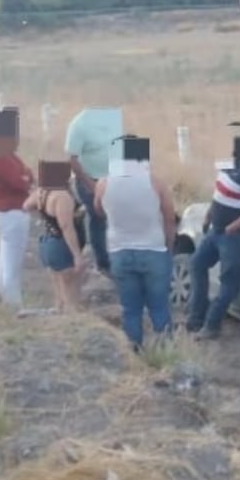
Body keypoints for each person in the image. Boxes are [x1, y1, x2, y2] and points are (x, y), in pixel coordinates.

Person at [94, 135, 177, 352]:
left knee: (131, 309)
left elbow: (99, 210)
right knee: (159, 307)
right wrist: (169, 246)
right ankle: (166, 352)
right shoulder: (154, 181)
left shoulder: (104, 183)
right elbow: (169, 217)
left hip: (120, 250)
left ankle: (135, 353)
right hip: (153, 250)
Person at [187, 122, 240, 341]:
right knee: (197, 264)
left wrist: (234, 227)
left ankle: (212, 325)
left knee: (228, 281)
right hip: (217, 230)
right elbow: (220, 192)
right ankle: (195, 319)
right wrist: (209, 215)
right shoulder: (229, 165)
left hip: (237, 236)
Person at [0, 107, 33, 310]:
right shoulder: (2, 157)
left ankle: (8, 302)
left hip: (5, 212)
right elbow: (22, 181)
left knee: (6, 261)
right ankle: (14, 307)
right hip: (12, 213)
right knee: (12, 266)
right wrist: (26, 176)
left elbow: (27, 176)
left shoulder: (3, 155)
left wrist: (26, 176)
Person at [64, 107, 124, 278]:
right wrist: (90, 185)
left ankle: (117, 258)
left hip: (113, 179)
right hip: (90, 179)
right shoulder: (79, 124)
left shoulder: (113, 117)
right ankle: (103, 263)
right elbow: (71, 158)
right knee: (99, 218)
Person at [23, 160, 86, 313]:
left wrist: (43, 215)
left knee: (59, 295)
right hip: (62, 247)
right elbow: (66, 227)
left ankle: (59, 318)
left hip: (48, 242)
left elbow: (26, 206)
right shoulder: (62, 197)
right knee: (71, 295)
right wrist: (77, 255)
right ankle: (72, 324)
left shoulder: (42, 192)